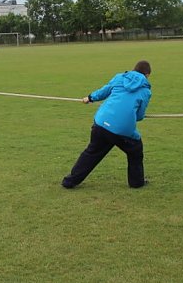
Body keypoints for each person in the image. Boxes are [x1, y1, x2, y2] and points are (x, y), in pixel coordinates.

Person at [61, 60, 153, 189]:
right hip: (122, 130)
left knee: (92, 153)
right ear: (147, 75)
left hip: (101, 123)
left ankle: (69, 181)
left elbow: (104, 91)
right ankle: (136, 182)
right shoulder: (146, 91)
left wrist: (90, 97)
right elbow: (139, 116)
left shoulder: (120, 77)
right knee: (135, 150)